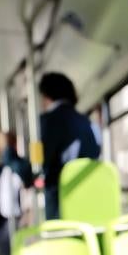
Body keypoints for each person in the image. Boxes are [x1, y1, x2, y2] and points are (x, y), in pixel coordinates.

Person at [38, 72, 101, 219]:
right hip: (89, 193)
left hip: (61, 196)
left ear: (46, 95)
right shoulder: (88, 122)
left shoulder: (48, 121)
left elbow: (41, 163)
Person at [0, 130, 33, 255]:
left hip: (20, 217)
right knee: (8, 253)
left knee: (21, 251)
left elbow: (27, 187)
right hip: (4, 218)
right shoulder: (0, 169)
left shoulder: (19, 165)